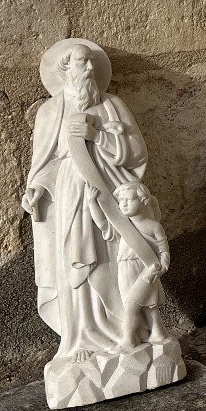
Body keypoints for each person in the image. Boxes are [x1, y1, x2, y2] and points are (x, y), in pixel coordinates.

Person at [22, 41, 148, 360]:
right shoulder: (50, 111)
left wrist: (99, 137)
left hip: (109, 190)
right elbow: (45, 163)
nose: (90, 68)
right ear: (66, 68)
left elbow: (136, 154)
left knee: (114, 257)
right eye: (83, 62)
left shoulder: (111, 105)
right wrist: (36, 190)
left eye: (92, 62)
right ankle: (80, 337)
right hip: (69, 193)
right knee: (76, 258)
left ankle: (125, 329)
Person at [106, 182, 171, 351]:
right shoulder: (122, 225)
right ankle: (158, 333)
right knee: (149, 305)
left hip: (145, 269)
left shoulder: (153, 226)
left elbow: (163, 250)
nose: (124, 204)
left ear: (142, 200)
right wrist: (92, 201)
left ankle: (128, 339)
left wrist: (163, 266)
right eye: (121, 201)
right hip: (125, 269)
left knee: (131, 304)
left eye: (129, 199)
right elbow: (103, 226)